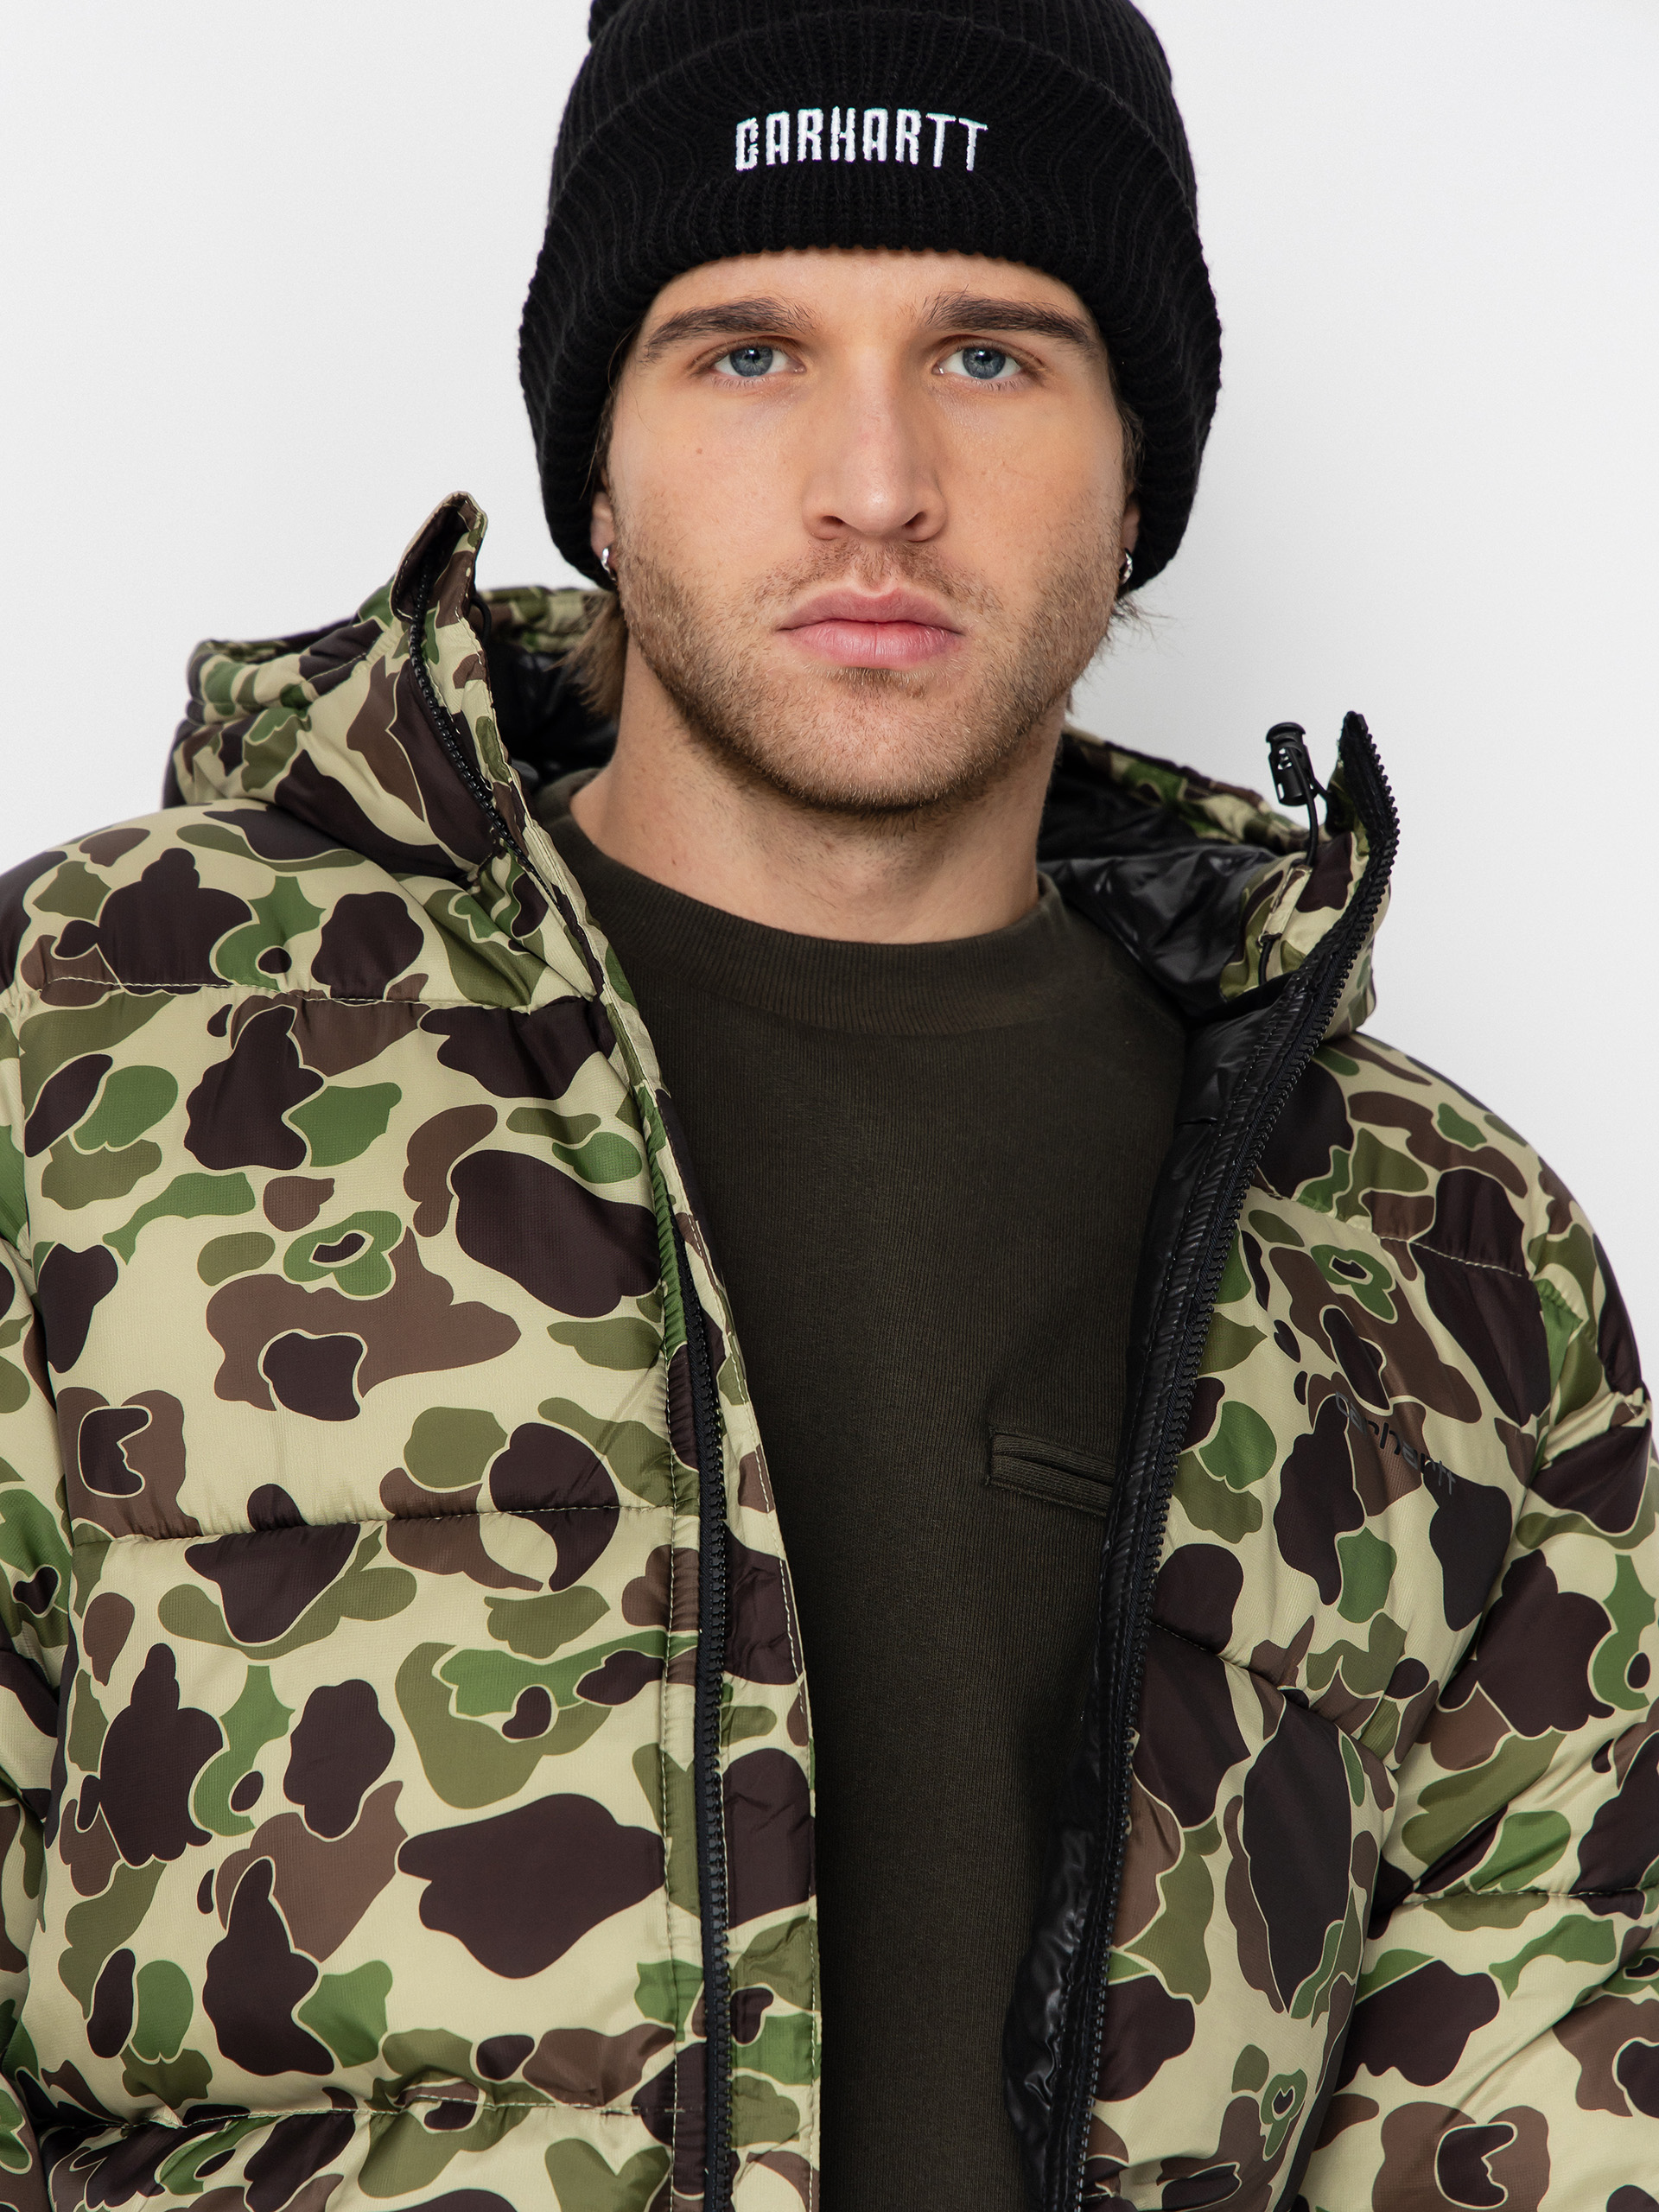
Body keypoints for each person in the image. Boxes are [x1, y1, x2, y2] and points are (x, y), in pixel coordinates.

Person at [0, 0, 1654, 2207]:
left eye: (990, 354)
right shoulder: (100, 1035)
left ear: (1139, 476)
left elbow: (1539, 2111)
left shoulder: (1440, 1262)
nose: (876, 483)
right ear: (598, 466)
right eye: (749, 352)